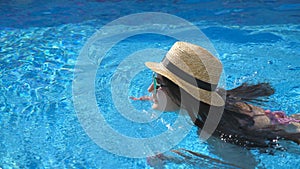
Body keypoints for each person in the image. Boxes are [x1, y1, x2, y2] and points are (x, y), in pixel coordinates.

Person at [131, 41, 300, 148]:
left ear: (183, 94)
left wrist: (178, 158)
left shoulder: (215, 132)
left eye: (157, 84)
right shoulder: (217, 100)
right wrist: (154, 97)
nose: (149, 89)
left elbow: (247, 166)